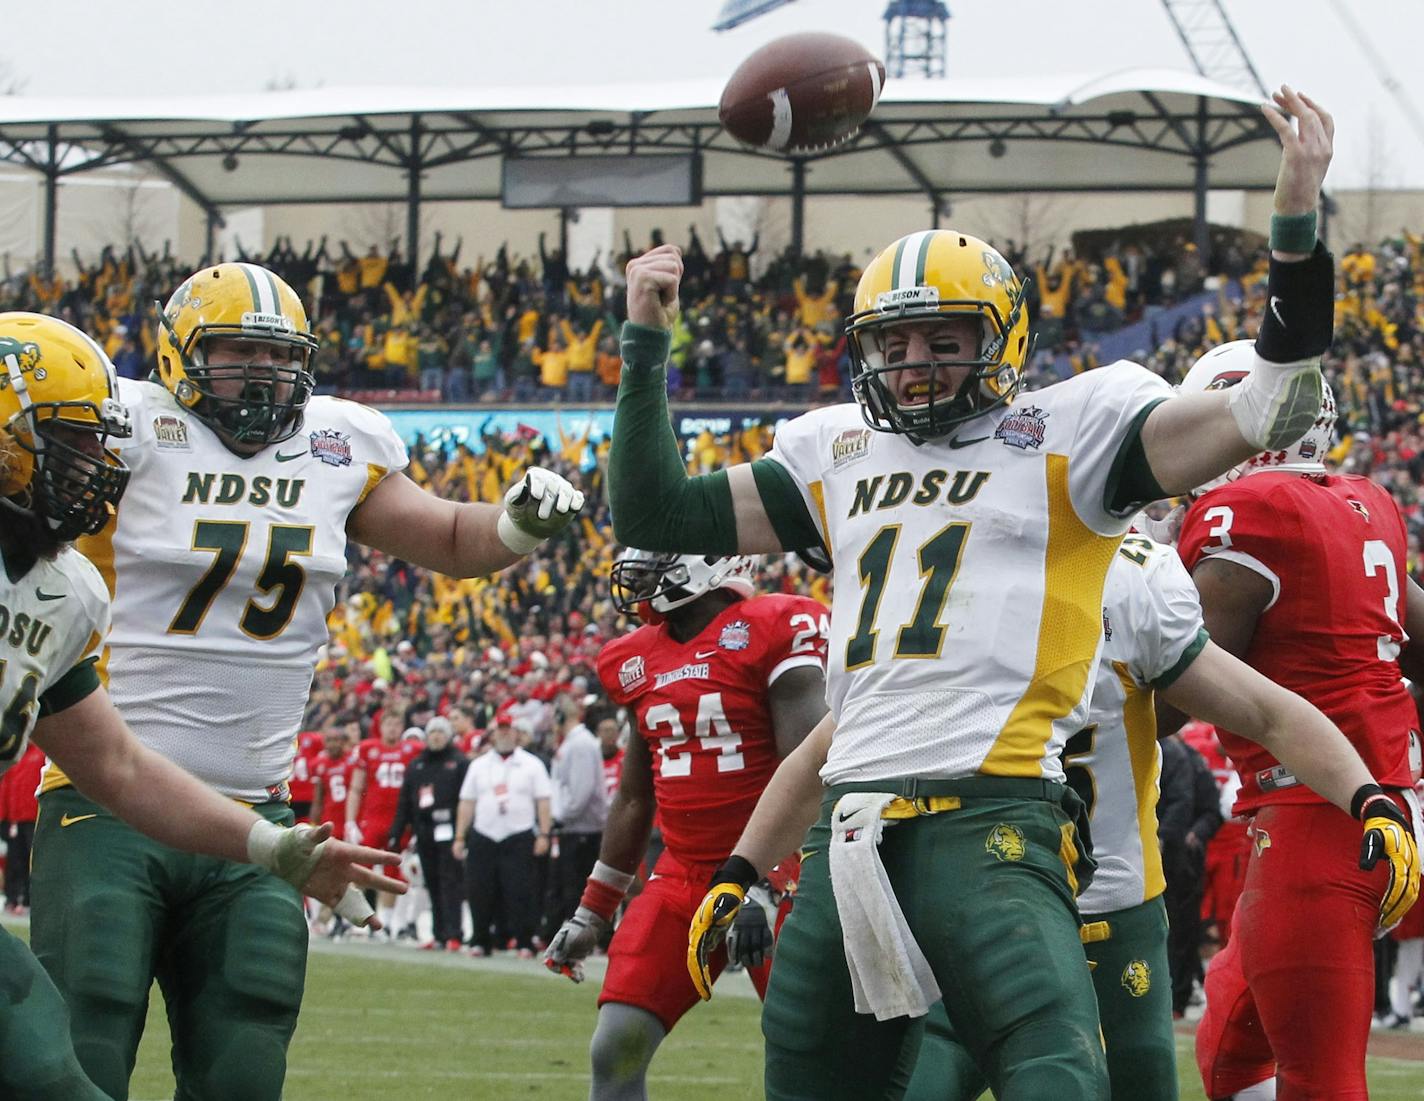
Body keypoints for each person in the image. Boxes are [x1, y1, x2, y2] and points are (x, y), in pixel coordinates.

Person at [608, 89, 1415, 1099]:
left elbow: (1268, 401)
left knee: (1060, 1077)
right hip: (848, 834)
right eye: (892, 343)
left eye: (941, 338)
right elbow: (654, 511)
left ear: (1000, 337)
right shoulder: (834, 452)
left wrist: (1293, 225)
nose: (913, 364)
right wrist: (644, 346)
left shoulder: (1074, 432)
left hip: (994, 822)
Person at [30, 261, 586, 1101]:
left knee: (248, 1051)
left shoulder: (336, 443)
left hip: (258, 808)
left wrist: (515, 525)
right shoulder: (129, 425)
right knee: (85, 1041)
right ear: (181, 355)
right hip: (102, 795)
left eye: (277, 354)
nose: (260, 371)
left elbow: (449, 537)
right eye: (236, 351)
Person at [0, 311, 402, 1099]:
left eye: (99, 440)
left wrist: (270, 844)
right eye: (73, 439)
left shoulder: (61, 593)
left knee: (51, 1068)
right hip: (97, 839)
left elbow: (117, 764)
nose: (100, 464)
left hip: (224, 810)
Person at [1177, 341, 1424, 1099]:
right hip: (1380, 797)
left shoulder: (1243, 513)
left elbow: (1181, 683)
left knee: (1319, 1075)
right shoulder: (1366, 499)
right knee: (1227, 1038)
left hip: (1317, 811)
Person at [903, 532, 1208, 1099]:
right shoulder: (1143, 572)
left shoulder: (966, 552)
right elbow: (1191, 708)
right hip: (1101, 896)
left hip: (992, 890)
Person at [543, 549, 829, 1101]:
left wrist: (761, 886)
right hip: (684, 876)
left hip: (782, 872)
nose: (640, 573)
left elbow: (812, 771)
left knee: (814, 1065)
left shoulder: (773, 627)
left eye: (656, 557)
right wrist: (593, 910)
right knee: (615, 1045)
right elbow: (634, 795)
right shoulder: (636, 659)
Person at [453, 714, 553, 957]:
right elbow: (467, 802)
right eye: (501, 730)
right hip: (484, 833)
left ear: (516, 733)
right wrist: (459, 836)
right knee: (480, 889)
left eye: (509, 730)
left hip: (518, 833)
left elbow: (543, 801)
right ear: (493, 733)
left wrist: (544, 833)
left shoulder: (532, 764)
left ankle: (523, 940)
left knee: (520, 890)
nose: (505, 734)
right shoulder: (479, 765)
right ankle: (480, 939)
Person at [387, 715, 469, 951]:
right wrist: (397, 831)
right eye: (432, 732)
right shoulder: (417, 764)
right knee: (431, 882)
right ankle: (439, 933)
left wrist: (464, 833)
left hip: (450, 830)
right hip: (424, 830)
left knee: (450, 881)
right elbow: (405, 801)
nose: (436, 737)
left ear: (448, 736)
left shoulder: (459, 762)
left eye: (440, 732)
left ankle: (455, 933)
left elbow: (467, 799)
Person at [347, 710, 423, 933]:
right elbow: (356, 787)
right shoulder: (368, 748)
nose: (392, 728)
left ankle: (388, 921)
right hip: (372, 818)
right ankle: (358, 918)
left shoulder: (412, 749)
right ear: (380, 726)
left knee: (393, 871)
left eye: (397, 723)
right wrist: (351, 821)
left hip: (399, 821)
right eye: (388, 723)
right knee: (361, 869)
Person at [545, 693, 609, 934]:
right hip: (576, 826)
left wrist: (562, 814)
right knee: (568, 886)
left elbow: (580, 791)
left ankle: (583, 936)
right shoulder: (574, 743)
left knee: (576, 887)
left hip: (581, 828)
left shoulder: (579, 744)